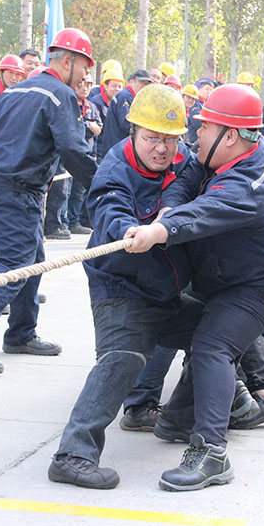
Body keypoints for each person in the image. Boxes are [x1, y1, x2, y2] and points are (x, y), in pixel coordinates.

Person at [126, 83, 264, 491]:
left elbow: (206, 210)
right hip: (225, 280)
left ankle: (212, 453)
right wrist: (169, 209)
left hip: (260, 289)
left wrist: (160, 229)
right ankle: (196, 414)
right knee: (178, 341)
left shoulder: (249, 183)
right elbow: (187, 180)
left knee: (212, 344)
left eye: (205, 126)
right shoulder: (220, 158)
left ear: (230, 135)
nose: (196, 133)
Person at [49, 84, 200, 490]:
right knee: (123, 357)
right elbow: (109, 208)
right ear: (133, 132)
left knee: (219, 332)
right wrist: (130, 230)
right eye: (152, 138)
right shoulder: (114, 169)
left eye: (170, 139)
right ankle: (73, 455)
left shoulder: (185, 161)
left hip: (166, 289)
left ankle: (181, 417)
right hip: (121, 286)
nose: (162, 149)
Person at [0, 28, 97, 373]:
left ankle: (21, 333)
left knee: (33, 258)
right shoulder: (60, 95)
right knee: (17, 264)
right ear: (68, 61)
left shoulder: (16, 90)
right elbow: (73, 149)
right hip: (16, 189)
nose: (86, 77)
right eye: (85, 67)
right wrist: (103, 185)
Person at [66, 70, 99, 234]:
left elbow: (98, 130)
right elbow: (73, 128)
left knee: (79, 192)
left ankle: (74, 222)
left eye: (88, 85)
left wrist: (94, 154)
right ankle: (59, 224)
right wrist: (88, 125)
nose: (85, 88)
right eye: (82, 83)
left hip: (86, 154)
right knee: (64, 191)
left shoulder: (91, 107)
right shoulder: (69, 103)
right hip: (69, 156)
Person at [97, 70, 153, 160]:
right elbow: (126, 123)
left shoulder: (132, 97)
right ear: (132, 82)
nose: (144, 86)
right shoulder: (125, 96)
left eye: (147, 84)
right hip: (116, 149)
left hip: (119, 148)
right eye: (142, 82)